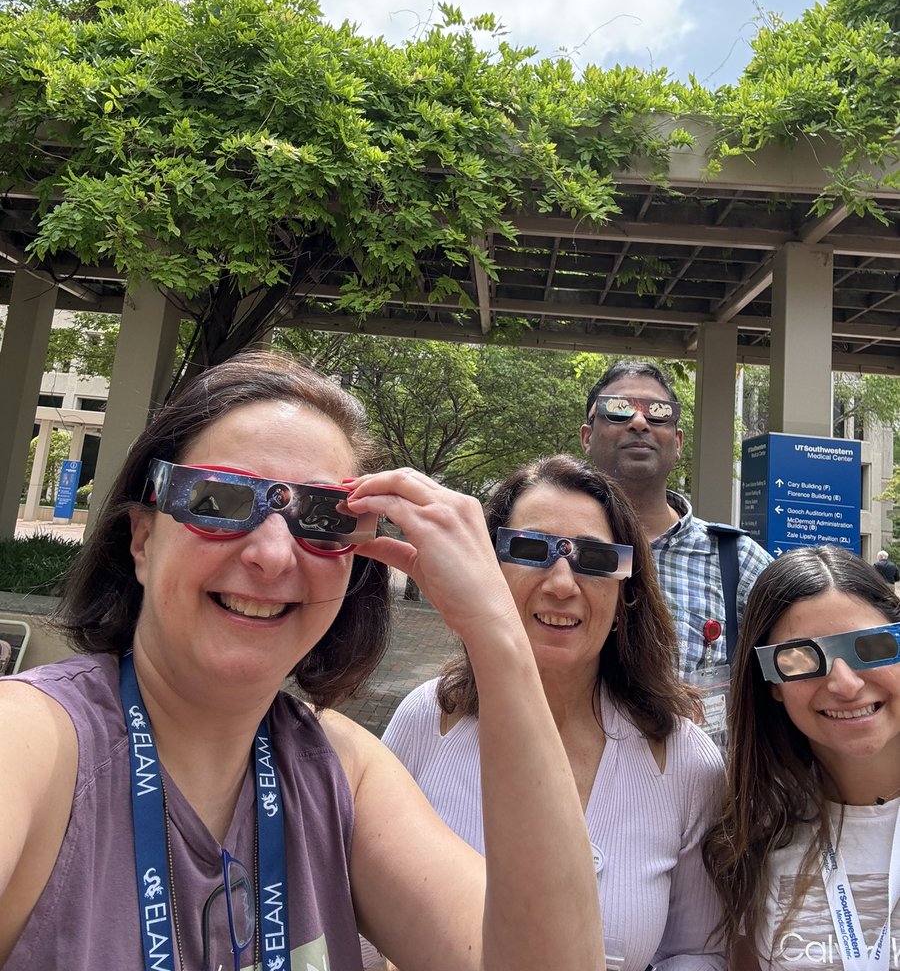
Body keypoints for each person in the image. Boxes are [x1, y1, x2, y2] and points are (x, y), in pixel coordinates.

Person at [0, 352, 603, 971]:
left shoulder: (341, 770)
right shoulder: (33, 745)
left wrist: (497, 633)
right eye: (219, 500)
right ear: (143, 540)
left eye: (318, 518)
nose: (272, 554)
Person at [372, 455, 725, 971]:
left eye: (596, 559)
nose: (563, 583)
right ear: (488, 565)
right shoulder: (430, 719)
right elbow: (359, 911)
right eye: (533, 549)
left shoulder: (682, 759)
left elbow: (700, 950)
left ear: (627, 587)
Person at [702, 546, 900, 970]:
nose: (844, 684)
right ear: (771, 682)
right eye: (800, 658)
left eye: (871, 645)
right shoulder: (747, 838)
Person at [580, 360, 771, 678]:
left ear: (678, 442)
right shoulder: (554, 549)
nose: (640, 421)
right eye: (617, 409)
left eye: (658, 412)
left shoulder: (737, 560)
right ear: (587, 437)